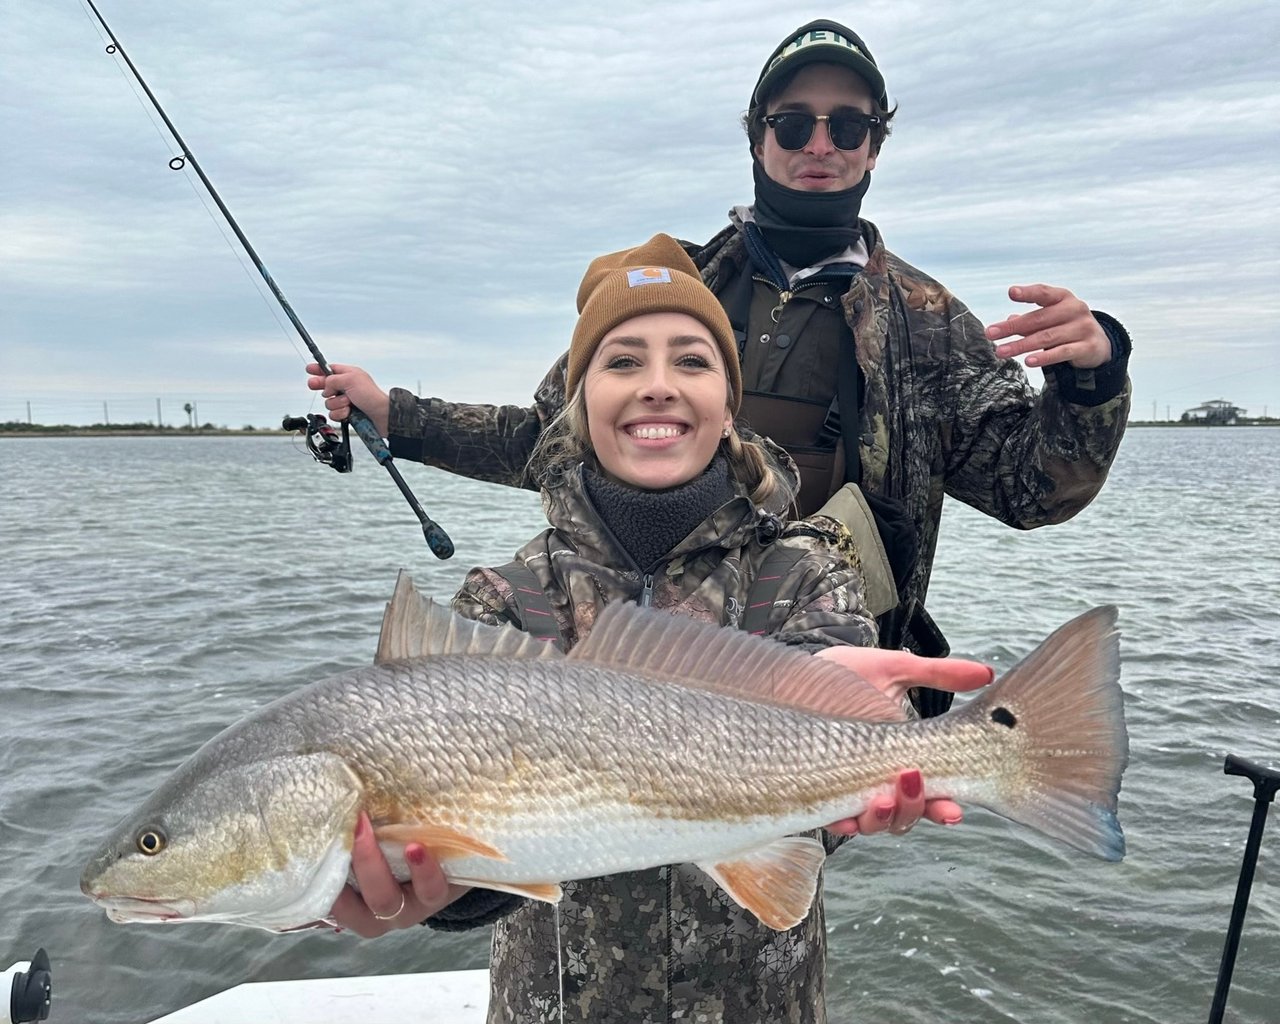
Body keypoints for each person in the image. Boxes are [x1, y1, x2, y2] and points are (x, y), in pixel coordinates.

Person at [308, 18, 1131, 715]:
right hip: (632, 660)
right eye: (793, 124)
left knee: (786, 843)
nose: (820, 144)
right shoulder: (669, 287)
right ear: (756, 136)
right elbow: (548, 438)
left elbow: (1031, 490)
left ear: (876, 146)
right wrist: (397, 416)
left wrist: (1089, 378)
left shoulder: (930, 320)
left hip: (825, 668)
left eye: (848, 127)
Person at [322, 234, 996, 1023]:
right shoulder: (505, 602)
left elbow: (825, 811)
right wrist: (436, 891)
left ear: (728, 401)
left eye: (692, 361)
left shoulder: (804, 573)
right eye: (622, 362)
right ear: (579, 400)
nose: (657, 386)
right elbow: (475, 857)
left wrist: (873, 737)